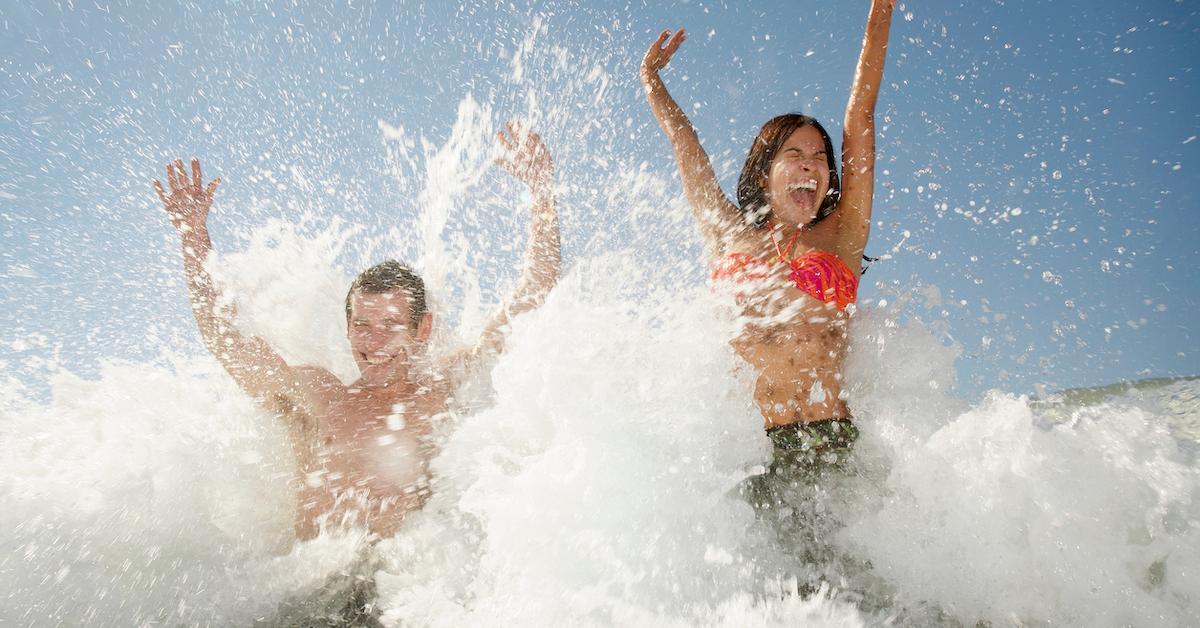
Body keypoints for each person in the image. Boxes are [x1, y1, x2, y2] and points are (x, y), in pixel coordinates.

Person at [154, 122, 560, 543]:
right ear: (347, 328)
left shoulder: (442, 388)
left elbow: (532, 298)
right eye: (362, 326)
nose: (374, 342)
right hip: (311, 598)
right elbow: (227, 341)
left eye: (391, 325)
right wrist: (193, 237)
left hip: (402, 592)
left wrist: (542, 196)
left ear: (423, 328)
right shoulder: (317, 396)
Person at [640, 1, 895, 464]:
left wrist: (881, 12)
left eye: (820, 157)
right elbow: (686, 146)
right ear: (764, 174)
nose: (810, 163)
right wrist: (651, 81)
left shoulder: (842, 236)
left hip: (834, 446)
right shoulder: (728, 234)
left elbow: (860, 116)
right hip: (753, 453)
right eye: (794, 153)